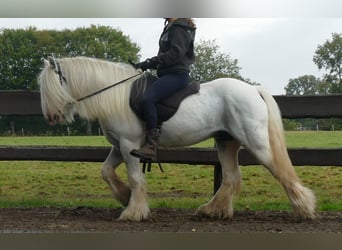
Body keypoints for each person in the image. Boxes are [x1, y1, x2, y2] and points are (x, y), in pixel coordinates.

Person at [130, 18, 196, 161]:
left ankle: (151, 146)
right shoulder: (171, 27)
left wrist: (150, 62)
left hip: (177, 75)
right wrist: (145, 65)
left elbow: (176, 53)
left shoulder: (179, 27)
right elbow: (165, 58)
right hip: (167, 74)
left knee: (148, 99)